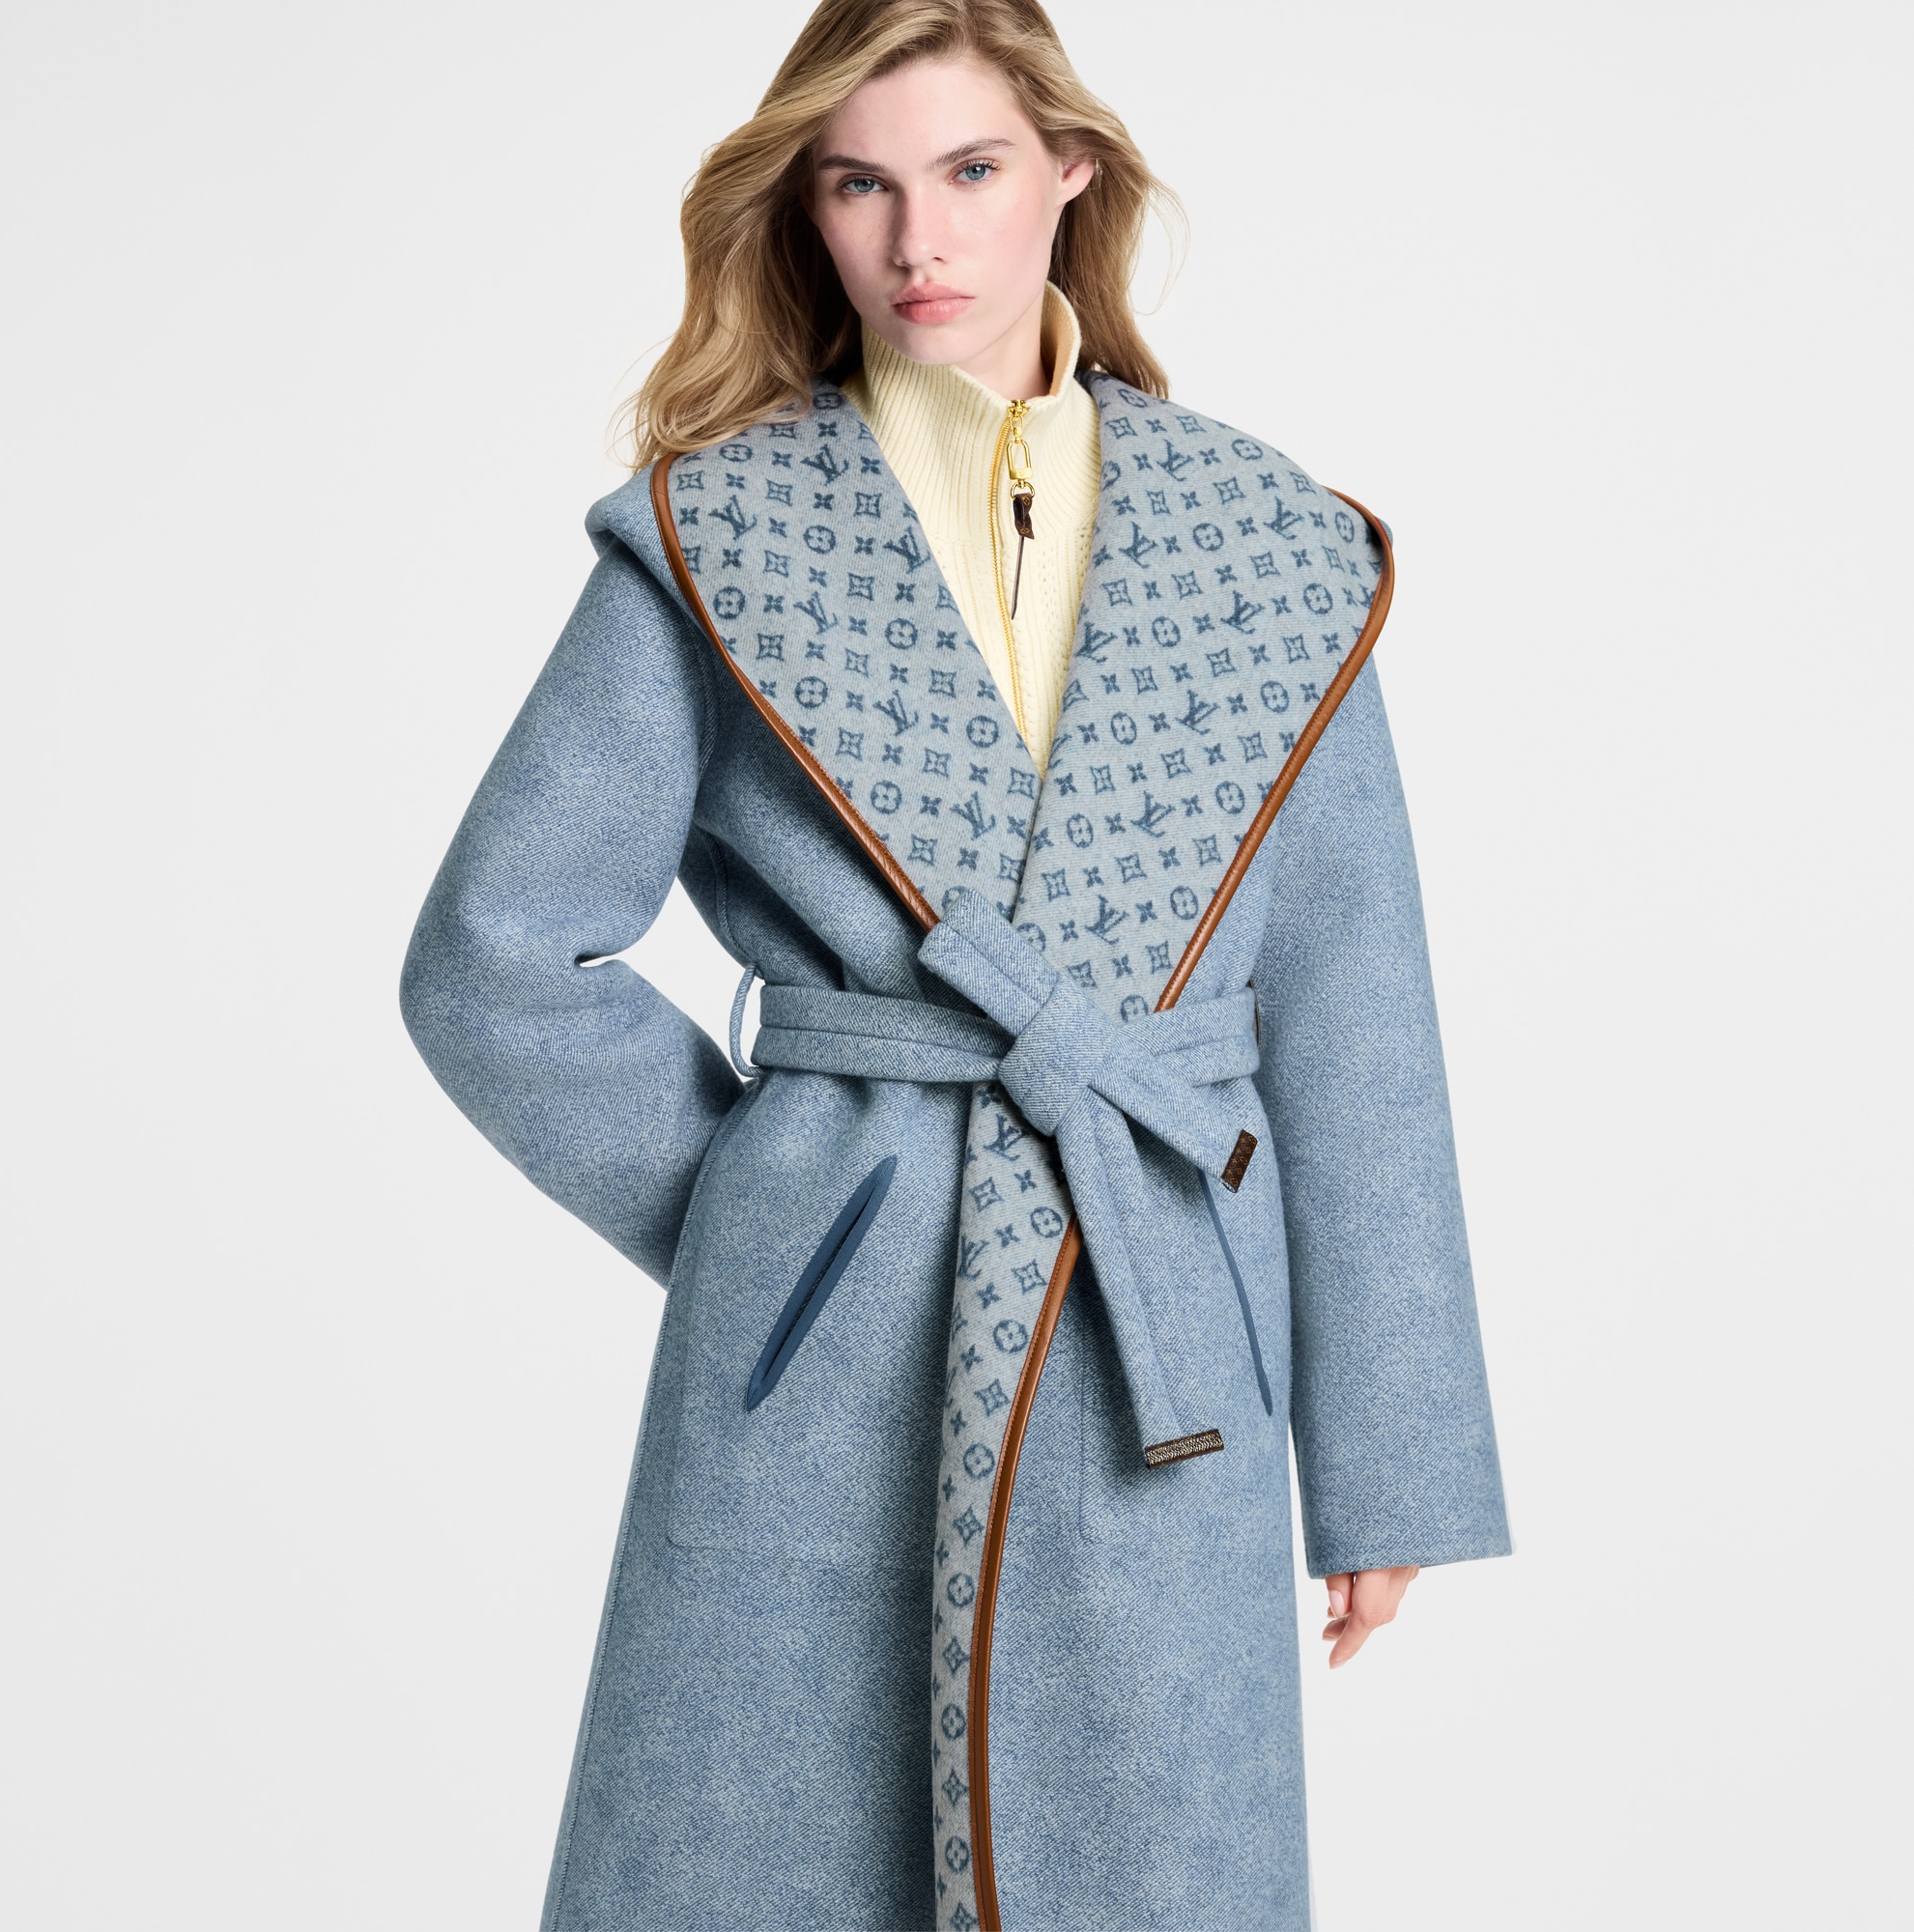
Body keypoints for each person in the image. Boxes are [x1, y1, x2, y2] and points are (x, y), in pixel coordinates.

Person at [400, 3, 1510, 1926]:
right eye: (861, 184)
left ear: (1071, 170)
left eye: (970, 170)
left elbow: (1352, 1011)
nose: (919, 238)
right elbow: (494, 959)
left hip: (1161, 1304)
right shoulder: (717, 535)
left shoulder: (1270, 544)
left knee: (1149, 1854)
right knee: (770, 1850)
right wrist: (783, 1216)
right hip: (836, 1351)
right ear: (806, 210)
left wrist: (1388, 1462)